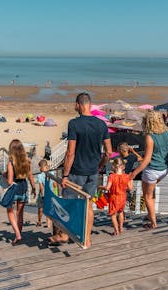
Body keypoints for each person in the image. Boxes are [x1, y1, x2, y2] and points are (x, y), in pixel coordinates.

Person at [49, 92, 112, 248]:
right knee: (88, 205)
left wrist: (65, 174)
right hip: (92, 172)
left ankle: (64, 235)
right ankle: (87, 239)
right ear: (89, 105)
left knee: (69, 203)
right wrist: (100, 165)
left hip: (76, 171)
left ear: (78, 105)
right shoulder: (101, 124)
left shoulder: (74, 124)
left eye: (75, 104)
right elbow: (109, 152)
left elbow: (70, 152)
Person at [129, 110, 168, 230]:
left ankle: (153, 223)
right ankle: (150, 214)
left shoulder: (150, 137)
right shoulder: (167, 132)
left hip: (153, 170)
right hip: (165, 168)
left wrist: (134, 173)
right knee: (151, 192)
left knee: (147, 196)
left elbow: (147, 159)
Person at [5, 139, 36, 245]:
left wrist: (6, 177)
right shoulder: (26, 161)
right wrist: (33, 188)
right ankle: (19, 234)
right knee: (20, 213)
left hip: (13, 190)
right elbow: (31, 176)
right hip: (23, 188)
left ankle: (17, 235)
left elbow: (9, 181)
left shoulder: (11, 162)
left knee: (10, 212)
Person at [98, 158, 133, 235]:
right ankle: (121, 228)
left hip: (114, 197)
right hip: (123, 197)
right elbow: (130, 188)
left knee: (113, 215)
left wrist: (100, 187)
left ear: (114, 166)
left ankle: (116, 230)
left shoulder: (112, 176)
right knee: (120, 212)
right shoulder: (126, 176)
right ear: (123, 167)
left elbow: (107, 188)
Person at [35, 160, 56, 228]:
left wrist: (42, 195)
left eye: (39, 167)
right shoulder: (52, 173)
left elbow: (41, 187)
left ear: (41, 167)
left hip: (43, 195)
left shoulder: (40, 175)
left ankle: (40, 221)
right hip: (51, 194)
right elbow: (55, 185)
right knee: (49, 208)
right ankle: (48, 223)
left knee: (40, 208)